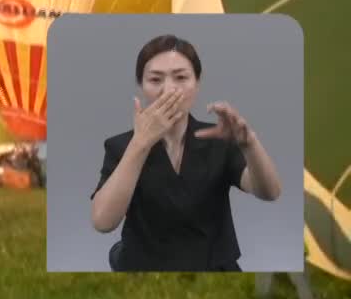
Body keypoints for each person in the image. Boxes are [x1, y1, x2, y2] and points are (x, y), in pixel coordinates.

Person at [89, 34, 283, 271]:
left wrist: (249, 143)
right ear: (141, 86)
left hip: (213, 269)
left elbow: (270, 192)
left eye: (181, 78)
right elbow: (102, 221)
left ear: (197, 83)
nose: (169, 90)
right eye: (155, 80)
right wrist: (140, 144)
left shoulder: (218, 139)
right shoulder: (120, 146)